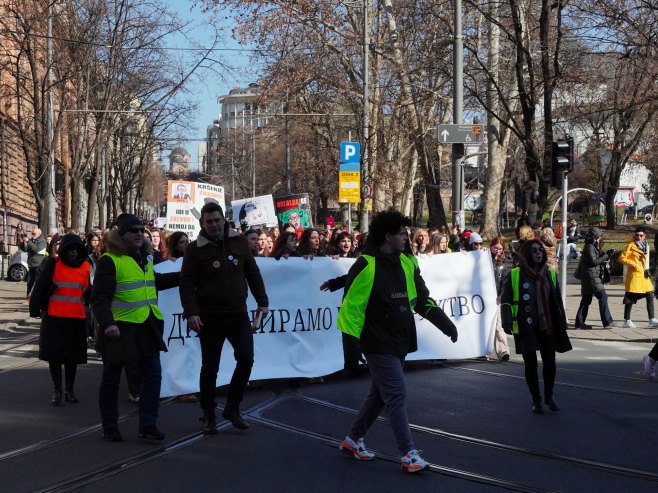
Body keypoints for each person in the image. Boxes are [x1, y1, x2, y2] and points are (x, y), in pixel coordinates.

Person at [336, 210, 458, 473]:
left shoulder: (407, 263)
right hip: (377, 342)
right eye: (402, 233)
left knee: (380, 395)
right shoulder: (366, 265)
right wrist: (351, 350)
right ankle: (408, 454)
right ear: (388, 236)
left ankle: (353, 440)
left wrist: (445, 324)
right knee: (396, 393)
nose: (407, 237)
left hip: (400, 340)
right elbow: (351, 310)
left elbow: (422, 300)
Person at [179, 202, 269, 435]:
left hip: (238, 313)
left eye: (217, 220)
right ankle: (208, 414)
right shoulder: (194, 249)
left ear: (223, 219)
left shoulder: (238, 242)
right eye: (209, 221)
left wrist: (263, 301)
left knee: (247, 359)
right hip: (209, 317)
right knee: (210, 368)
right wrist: (191, 312)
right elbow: (186, 283)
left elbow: (252, 272)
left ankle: (232, 407)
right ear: (203, 223)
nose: (214, 225)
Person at [91, 213, 179, 442]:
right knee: (112, 379)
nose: (140, 233)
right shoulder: (110, 260)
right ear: (121, 236)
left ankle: (148, 424)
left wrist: (184, 276)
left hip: (147, 325)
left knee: (153, 375)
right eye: (134, 230)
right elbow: (99, 298)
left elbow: (153, 283)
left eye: (142, 230)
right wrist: (108, 323)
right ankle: (109, 425)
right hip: (121, 328)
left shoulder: (146, 258)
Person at [501, 240, 572, 414]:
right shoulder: (515, 274)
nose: (539, 253)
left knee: (550, 362)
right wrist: (507, 320)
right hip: (526, 325)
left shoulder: (550, 274)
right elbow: (506, 299)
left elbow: (556, 302)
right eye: (534, 251)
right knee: (530, 364)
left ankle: (549, 395)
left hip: (547, 325)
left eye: (540, 250)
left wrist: (561, 322)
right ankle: (536, 399)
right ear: (526, 254)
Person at [30, 234, 91, 405]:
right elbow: (40, 286)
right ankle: (57, 390)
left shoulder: (86, 267)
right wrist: (35, 308)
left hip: (76, 317)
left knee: (72, 357)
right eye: (69, 249)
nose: (73, 253)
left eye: (76, 250)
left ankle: (69, 390)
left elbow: (88, 291)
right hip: (54, 317)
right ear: (63, 250)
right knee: (54, 356)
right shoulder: (53, 264)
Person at [574, 227, 615, 330]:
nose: (599, 239)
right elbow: (594, 262)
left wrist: (606, 253)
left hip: (589, 276)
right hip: (591, 277)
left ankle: (579, 323)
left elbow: (597, 257)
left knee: (586, 300)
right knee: (603, 297)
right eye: (599, 237)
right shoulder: (589, 247)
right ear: (595, 237)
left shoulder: (592, 246)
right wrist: (606, 256)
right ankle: (607, 321)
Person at [618, 226, 658, 328]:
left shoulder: (645, 245)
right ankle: (627, 320)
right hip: (634, 276)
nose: (639, 237)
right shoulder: (631, 245)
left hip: (644, 275)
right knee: (630, 298)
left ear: (645, 236)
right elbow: (621, 258)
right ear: (635, 236)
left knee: (649, 294)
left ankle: (652, 319)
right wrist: (633, 264)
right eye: (637, 235)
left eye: (641, 235)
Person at [490, 237, 511, 361]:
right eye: (495, 248)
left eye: (500, 248)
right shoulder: (485, 259)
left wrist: (500, 296)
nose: (498, 251)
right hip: (483, 297)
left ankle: (503, 350)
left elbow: (505, 282)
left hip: (496, 298)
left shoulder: (503, 264)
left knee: (498, 324)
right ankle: (482, 349)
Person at [20, 227, 47, 299]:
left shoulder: (43, 241)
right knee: (29, 282)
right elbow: (26, 249)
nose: (32, 235)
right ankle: (28, 296)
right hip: (31, 264)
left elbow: (36, 249)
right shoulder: (32, 240)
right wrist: (23, 243)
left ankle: (37, 297)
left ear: (39, 234)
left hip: (38, 264)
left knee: (37, 282)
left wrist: (29, 242)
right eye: (32, 233)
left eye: (34, 233)